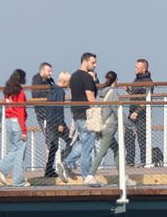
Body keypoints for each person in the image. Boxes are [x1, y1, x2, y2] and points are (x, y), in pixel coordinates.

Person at [67, 51, 102, 181]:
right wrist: (97, 120)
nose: (95, 65)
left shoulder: (74, 76)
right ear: (85, 61)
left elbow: (71, 96)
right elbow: (91, 98)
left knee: (84, 142)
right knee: (87, 146)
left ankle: (66, 163)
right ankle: (86, 175)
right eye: (93, 62)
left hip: (76, 114)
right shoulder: (87, 77)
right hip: (87, 114)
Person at [31, 63, 66, 181]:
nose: (51, 73)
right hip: (44, 115)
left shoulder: (50, 81)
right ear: (42, 70)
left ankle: (53, 167)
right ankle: (50, 168)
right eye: (48, 71)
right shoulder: (37, 79)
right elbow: (37, 95)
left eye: (51, 71)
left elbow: (54, 90)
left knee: (54, 141)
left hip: (52, 115)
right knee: (50, 141)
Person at [0, 68, 27, 187]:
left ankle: (2, 168)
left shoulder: (7, 92)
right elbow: (20, 112)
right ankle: (17, 179)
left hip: (8, 121)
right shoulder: (20, 93)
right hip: (17, 122)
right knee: (20, 150)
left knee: (15, 148)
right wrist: (24, 130)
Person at [90, 71, 122, 180]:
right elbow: (118, 111)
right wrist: (130, 125)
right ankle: (90, 175)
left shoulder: (100, 93)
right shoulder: (113, 93)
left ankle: (122, 176)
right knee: (102, 153)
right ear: (116, 80)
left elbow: (98, 110)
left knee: (117, 149)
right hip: (108, 128)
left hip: (101, 126)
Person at [126, 57, 154, 166]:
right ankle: (129, 161)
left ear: (144, 69)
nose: (135, 69)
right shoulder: (136, 79)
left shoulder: (147, 82)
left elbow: (146, 100)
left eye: (137, 67)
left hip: (141, 114)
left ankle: (144, 161)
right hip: (132, 113)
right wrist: (129, 90)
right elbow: (135, 97)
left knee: (142, 138)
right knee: (128, 136)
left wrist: (136, 112)